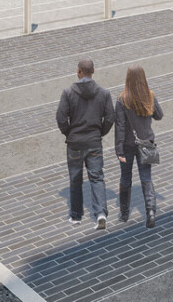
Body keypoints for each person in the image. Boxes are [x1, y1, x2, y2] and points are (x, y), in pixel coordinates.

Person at [56, 59, 115, 229]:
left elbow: (61, 118)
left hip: (74, 143)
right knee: (97, 178)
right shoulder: (104, 93)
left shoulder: (68, 92)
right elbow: (110, 117)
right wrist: (100, 132)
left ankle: (76, 216)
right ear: (93, 71)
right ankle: (101, 213)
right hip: (94, 142)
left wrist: (69, 133)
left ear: (79, 71)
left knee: (75, 179)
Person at [114, 64, 162, 227]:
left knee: (125, 178)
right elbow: (159, 115)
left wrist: (118, 149)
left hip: (128, 145)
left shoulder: (122, 100)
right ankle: (150, 212)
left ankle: (124, 214)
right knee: (146, 178)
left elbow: (119, 127)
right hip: (146, 144)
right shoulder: (149, 95)